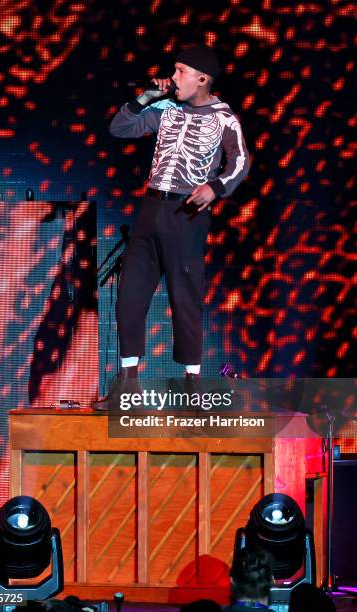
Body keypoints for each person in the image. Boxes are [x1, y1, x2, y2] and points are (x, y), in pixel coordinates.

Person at [95, 44, 250, 410]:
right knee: (130, 297)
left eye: (180, 71)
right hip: (151, 208)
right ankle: (127, 387)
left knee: (185, 299)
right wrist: (147, 96)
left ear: (202, 79)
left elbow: (240, 161)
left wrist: (216, 187)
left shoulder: (224, 117)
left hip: (187, 214)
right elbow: (120, 128)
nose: (174, 76)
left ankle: (192, 388)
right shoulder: (166, 110)